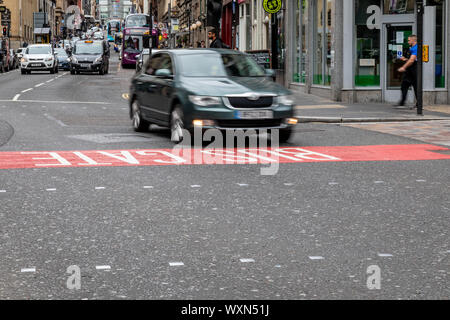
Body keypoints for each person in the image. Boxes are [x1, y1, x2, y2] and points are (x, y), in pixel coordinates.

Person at [396, 34, 418, 108]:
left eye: (409, 40)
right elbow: (411, 60)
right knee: (404, 86)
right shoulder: (411, 48)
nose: (408, 42)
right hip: (409, 72)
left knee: (416, 88)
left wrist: (403, 67)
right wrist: (404, 59)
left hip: (414, 71)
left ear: (413, 40)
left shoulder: (416, 48)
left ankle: (419, 104)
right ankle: (402, 102)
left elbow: (412, 61)